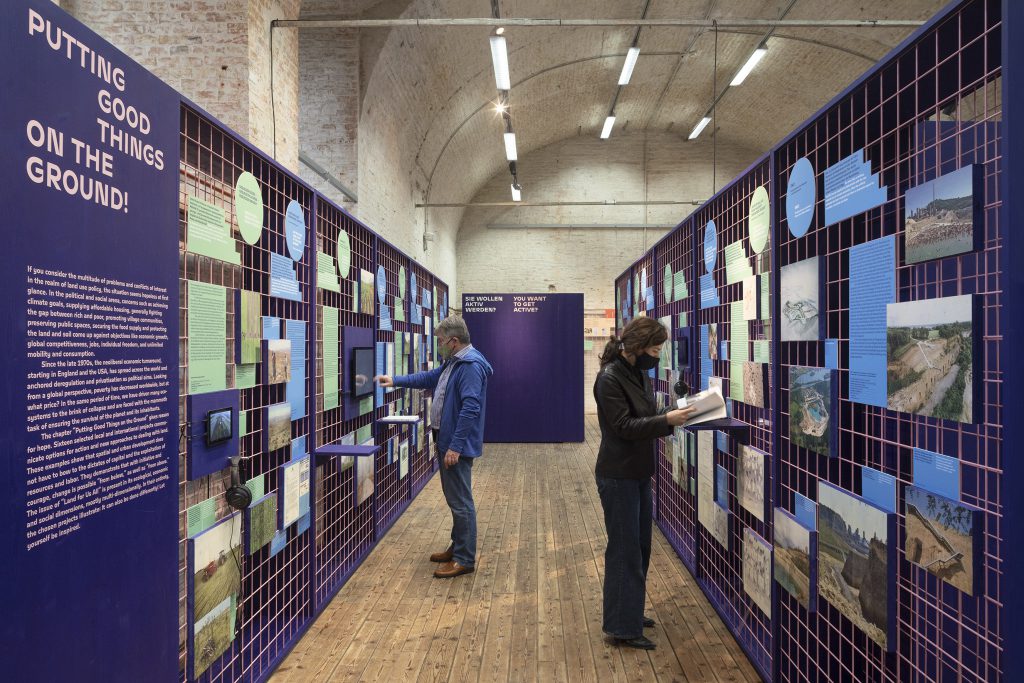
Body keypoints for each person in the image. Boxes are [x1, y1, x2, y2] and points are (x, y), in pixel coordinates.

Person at [593, 317, 697, 650]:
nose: (657, 355)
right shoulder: (608, 380)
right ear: (637, 348)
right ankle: (622, 626)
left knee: (639, 547)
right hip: (618, 474)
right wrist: (666, 420)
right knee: (625, 551)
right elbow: (625, 426)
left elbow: (643, 416)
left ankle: (630, 612)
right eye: (654, 349)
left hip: (636, 472)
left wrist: (672, 413)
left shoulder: (634, 374)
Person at [375, 316, 493, 578]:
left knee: (461, 501)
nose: (438, 345)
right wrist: (395, 380)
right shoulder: (454, 362)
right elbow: (430, 378)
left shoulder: (470, 367)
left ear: (453, 341)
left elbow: (470, 409)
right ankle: (458, 546)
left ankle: (464, 558)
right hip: (447, 439)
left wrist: (455, 446)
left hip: (454, 444)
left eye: (440, 341)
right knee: (455, 499)